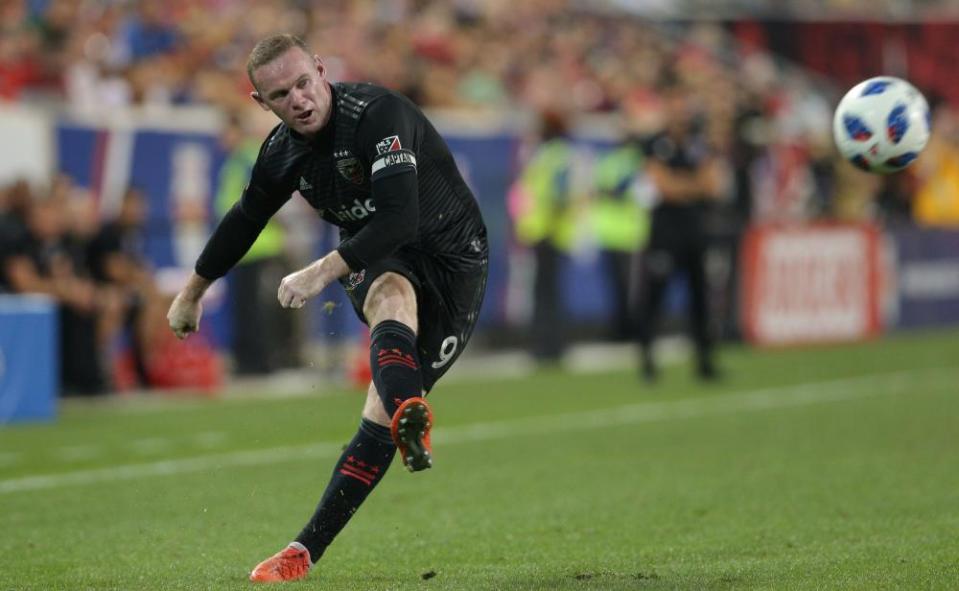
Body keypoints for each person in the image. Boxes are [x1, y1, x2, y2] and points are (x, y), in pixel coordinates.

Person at [165, 34, 488, 583]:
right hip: (379, 255)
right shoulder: (280, 152)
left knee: (377, 419)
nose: (298, 100)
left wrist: (320, 270)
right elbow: (245, 219)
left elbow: (399, 217)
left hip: (455, 258)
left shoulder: (377, 115)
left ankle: (402, 410)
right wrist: (192, 290)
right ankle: (303, 550)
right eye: (280, 95)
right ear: (260, 103)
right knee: (390, 294)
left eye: (303, 84)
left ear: (321, 71)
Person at [636, 79, 724, 382]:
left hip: (695, 231)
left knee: (700, 298)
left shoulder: (700, 142)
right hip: (664, 232)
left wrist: (682, 184)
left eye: (682, 103)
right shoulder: (654, 143)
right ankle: (647, 359)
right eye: (673, 103)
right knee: (655, 297)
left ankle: (704, 361)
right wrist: (692, 185)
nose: (679, 111)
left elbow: (713, 185)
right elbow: (663, 187)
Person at [511, 110, 577, 363]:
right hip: (550, 232)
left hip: (548, 232)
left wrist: (547, 225)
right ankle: (552, 344)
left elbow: (558, 194)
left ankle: (547, 345)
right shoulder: (556, 155)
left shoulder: (554, 155)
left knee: (545, 291)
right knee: (549, 290)